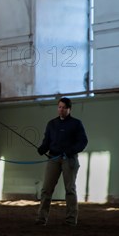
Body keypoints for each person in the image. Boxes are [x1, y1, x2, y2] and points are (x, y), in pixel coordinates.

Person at [35, 97, 88, 226]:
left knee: (70, 189)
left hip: (69, 159)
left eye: (64, 107)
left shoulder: (76, 124)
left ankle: (71, 220)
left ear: (69, 109)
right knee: (46, 189)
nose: (61, 110)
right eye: (59, 107)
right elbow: (47, 141)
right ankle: (41, 218)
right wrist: (42, 149)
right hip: (53, 159)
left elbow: (83, 142)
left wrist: (70, 151)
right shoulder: (51, 124)